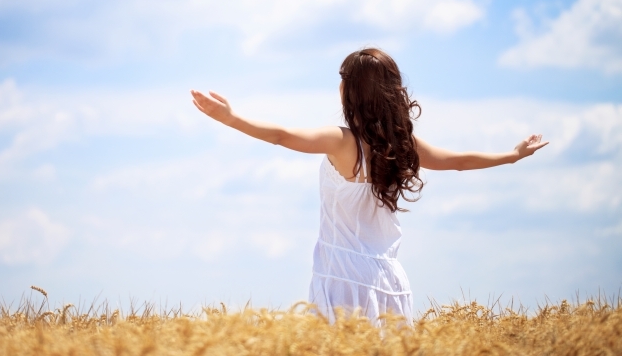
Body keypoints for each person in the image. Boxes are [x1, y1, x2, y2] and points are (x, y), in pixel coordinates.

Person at [190, 47, 548, 326]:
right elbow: (459, 161)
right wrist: (512, 155)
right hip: (389, 279)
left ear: (350, 90)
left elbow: (282, 136)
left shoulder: (341, 141)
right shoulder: (402, 146)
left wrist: (231, 118)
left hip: (342, 277)